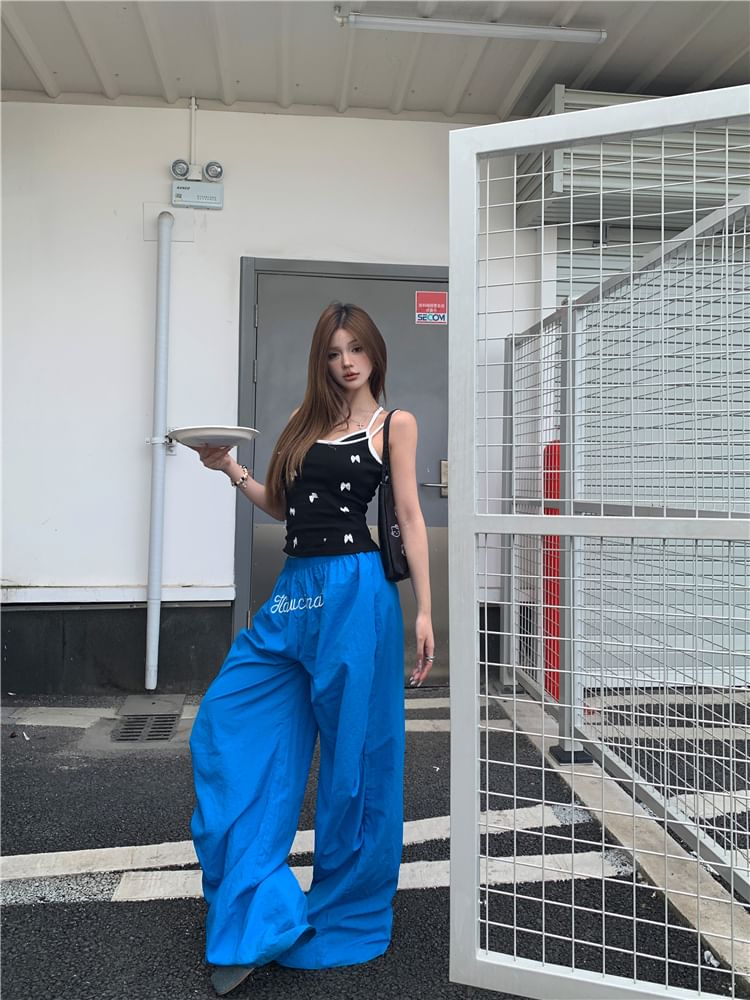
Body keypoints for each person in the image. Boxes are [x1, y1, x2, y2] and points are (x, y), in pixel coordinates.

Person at [189, 301, 434, 996]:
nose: (345, 362)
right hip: (294, 592)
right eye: (332, 352)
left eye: (355, 349)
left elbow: (409, 513)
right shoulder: (303, 421)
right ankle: (256, 909)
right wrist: (229, 469)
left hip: (356, 594)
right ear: (320, 361)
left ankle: (344, 912)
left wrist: (424, 609)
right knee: (227, 726)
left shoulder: (395, 424)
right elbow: (283, 506)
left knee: (356, 762)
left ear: (375, 353)